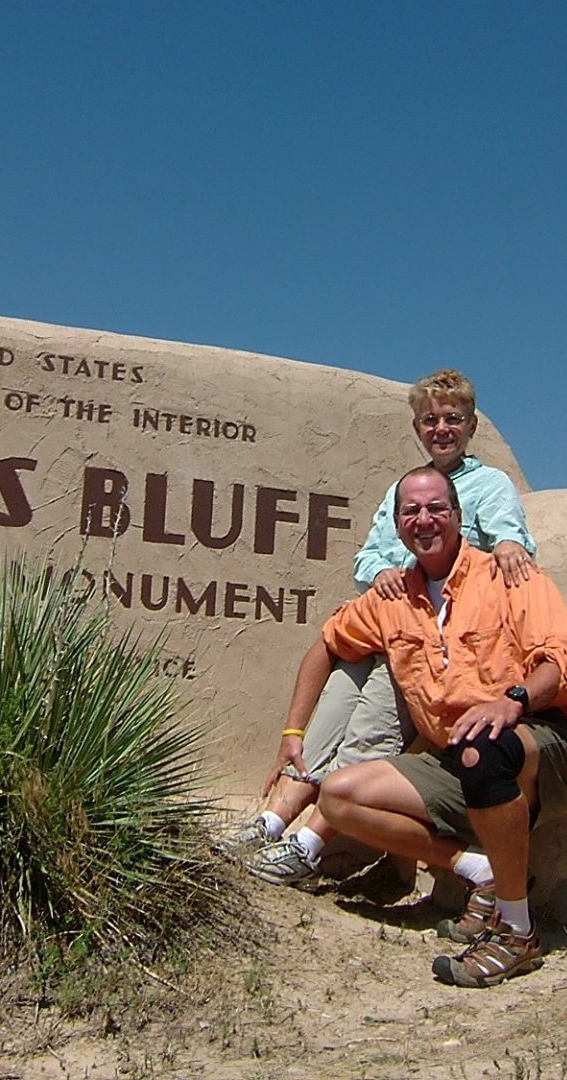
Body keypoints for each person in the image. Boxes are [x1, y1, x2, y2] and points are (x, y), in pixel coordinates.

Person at [289, 466, 567, 987]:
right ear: (396, 522)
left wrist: (513, 702)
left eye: (436, 508)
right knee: (339, 797)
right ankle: (478, 868)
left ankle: (518, 930)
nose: (424, 519)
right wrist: (292, 734)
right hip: (461, 760)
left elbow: (564, 663)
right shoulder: (391, 600)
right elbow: (325, 644)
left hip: (547, 742)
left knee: (484, 748)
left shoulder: (508, 575)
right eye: (411, 510)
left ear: (457, 516)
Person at [230, 369, 538, 887]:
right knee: (326, 722)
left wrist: (508, 546)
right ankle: (270, 823)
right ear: (417, 428)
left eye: (453, 419)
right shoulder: (403, 487)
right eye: (430, 420)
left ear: (471, 425)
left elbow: (509, 541)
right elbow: (366, 558)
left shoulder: (488, 485)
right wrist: (382, 573)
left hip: (425, 638)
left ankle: (307, 846)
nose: (441, 429)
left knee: (370, 732)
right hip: (377, 627)